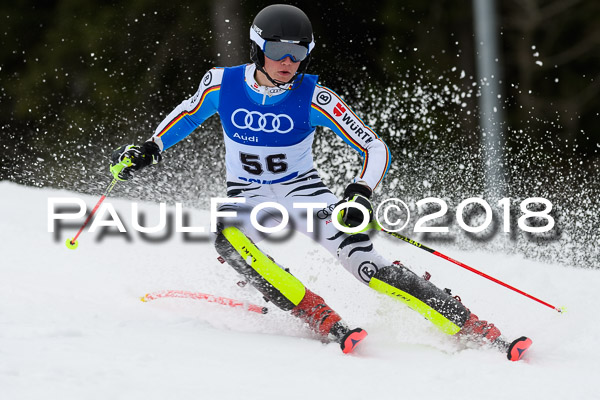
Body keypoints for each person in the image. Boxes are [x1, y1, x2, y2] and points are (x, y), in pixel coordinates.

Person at [110, 4, 531, 359]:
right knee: (228, 238)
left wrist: (360, 191)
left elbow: (374, 147)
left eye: (297, 53)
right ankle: (318, 314)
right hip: (249, 195)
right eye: (277, 50)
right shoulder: (222, 83)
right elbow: (186, 115)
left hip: (304, 194)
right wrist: (150, 147)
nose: (287, 62)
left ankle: (476, 329)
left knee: (367, 266)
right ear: (258, 47)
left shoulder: (315, 96)